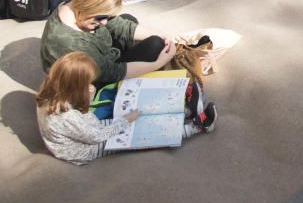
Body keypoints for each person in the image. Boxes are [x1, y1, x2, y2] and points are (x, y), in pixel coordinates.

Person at [36, 52, 216, 165]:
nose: (91, 87)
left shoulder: (51, 90)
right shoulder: (65, 117)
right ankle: (196, 126)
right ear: (74, 87)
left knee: (132, 116)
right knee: (140, 134)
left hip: (83, 129)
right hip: (82, 149)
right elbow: (95, 137)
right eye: (87, 84)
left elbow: (84, 122)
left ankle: (184, 111)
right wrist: (126, 121)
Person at [39, 0, 177, 87]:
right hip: (89, 80)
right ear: (88, 7)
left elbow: (120, 25)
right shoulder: (70, 43)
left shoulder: (75, 5)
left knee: (129, 20)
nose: (104, 22)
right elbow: (111, 72)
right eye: (100, 18)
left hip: (100, 54)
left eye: (107, 17)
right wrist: (158, 63)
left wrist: (164, 36)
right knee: (155, 46)